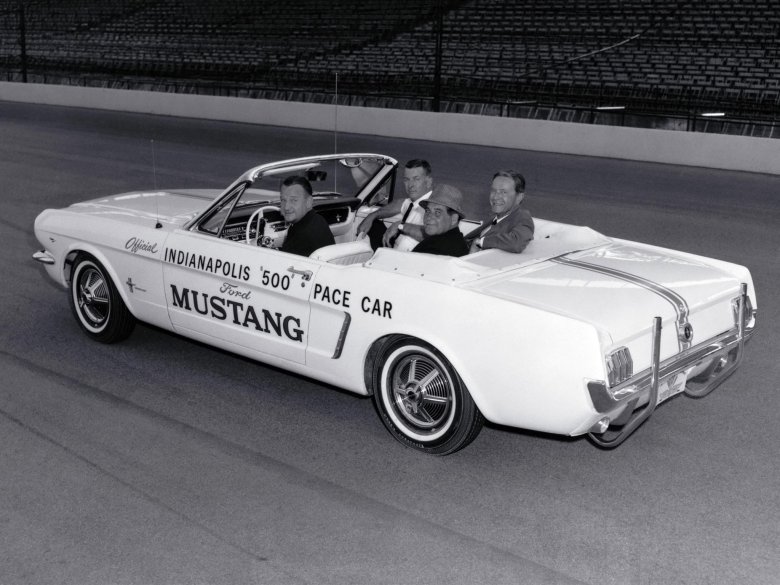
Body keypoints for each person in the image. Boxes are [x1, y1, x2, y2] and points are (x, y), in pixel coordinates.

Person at [357, 159, 433, 251]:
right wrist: (372, 215)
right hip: (394, 250)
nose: (410, 185)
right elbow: (399, 204)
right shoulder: (412, 202)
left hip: (408, 257)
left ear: (428, 182)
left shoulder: (433, 205)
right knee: (374, 225)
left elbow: (432, 236)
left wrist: (400, 226)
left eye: (416, 179)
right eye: (407, 179)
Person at [467, 170, 534, 253]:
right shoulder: (495, 218)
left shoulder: (522, 217)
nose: (495, 197)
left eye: (503, 192)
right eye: (493, 190)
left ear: (519, 197)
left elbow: (517, 242)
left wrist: (480, 242)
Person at [279, 175, 335, 256]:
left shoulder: (301, 236)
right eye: (283, 200)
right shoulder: (318, 220)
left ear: (308, 202)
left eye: (294, 200)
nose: (286, 207)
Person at [412, 184, 469, 257]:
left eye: (437, 212)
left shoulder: (436, 249)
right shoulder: (454, 240)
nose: (428, 217)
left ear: (454, 218)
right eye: (427, 211)